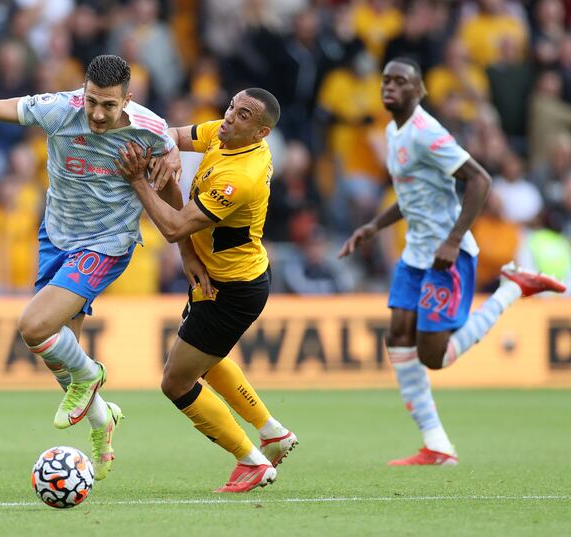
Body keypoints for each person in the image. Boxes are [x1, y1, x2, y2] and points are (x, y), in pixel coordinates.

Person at [0, 54, 180, 480]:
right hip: (56, 237)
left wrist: (191, 252)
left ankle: (93, 375)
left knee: (34, 328)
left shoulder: (152, 132)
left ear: (129, 98)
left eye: (109, 104)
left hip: (107, 243)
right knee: (62, 359)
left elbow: (173, 195)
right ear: (82, 92)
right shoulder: (59, 110)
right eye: (92, 101)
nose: (98, 113)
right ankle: (103, 422)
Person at [338, 58, 566, 466]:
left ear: (419, 90)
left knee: (434, 357)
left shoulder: (428, 134)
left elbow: (480, 179)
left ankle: (512, 288)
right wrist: (373, 226)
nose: (390, 86)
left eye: (401, 81)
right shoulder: (393, 131)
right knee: (397, 337)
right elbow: (411, 196)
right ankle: (437, 444)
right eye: (386, 80)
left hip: (447, 254)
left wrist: (454, 238)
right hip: (415, 253)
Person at [115, 88, 297, 493]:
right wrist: (168, 150)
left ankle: (251, 461)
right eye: (232, 106)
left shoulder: (240, 177)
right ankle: (273, 432)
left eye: (243, 114)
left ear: (261, 133)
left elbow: (176, 225)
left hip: (232, 289)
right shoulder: (225, 134)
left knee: (176, 382)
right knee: (207, 361)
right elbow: (172, 133)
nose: (230, 116)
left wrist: (138, 181)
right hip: (217, 276)